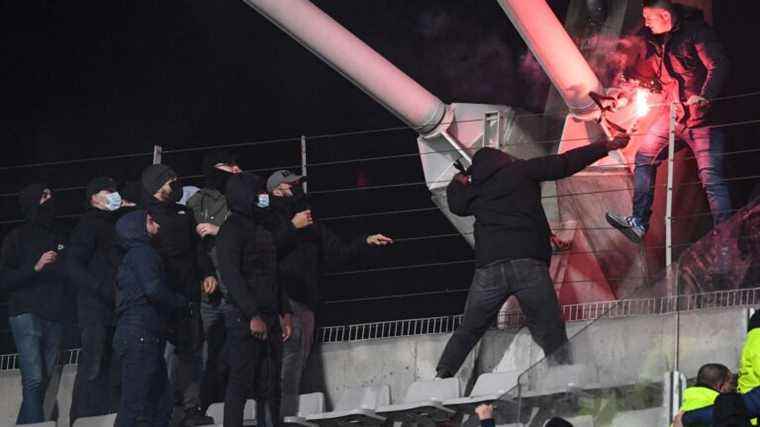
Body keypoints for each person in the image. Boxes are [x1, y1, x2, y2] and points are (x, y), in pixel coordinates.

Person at [435, 136, 630, 379]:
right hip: (528, 264)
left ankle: (443, 374)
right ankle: (562, 375)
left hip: (489, 269)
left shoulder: (476, 190)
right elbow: (565, 162)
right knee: (549, 327)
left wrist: (458, 182)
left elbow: (456, 205)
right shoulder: (522, 171)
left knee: (469, 329)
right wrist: (603, 147)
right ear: (502, 159)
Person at [266, 169, 394, 417]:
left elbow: (338, 252)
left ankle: (287, 418)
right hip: (282, 302)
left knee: (296, 368)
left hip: (307, 304)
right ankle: (276, 420)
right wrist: (292, 227)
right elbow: (264, 251)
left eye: (298, 184)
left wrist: (365, 241)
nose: (297, 189)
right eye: (291, 185)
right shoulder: (268, 217)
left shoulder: (311, 222)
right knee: (284, 368)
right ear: (276, 190)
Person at [606, 0, 731, 243]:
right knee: (644, 157)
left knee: (711, 179)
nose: (645, 23)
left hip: (701, 121)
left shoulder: (696, 33)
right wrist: (625, 90)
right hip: (672, 116)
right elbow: (647, 74)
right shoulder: (654, 41)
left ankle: (726, 240)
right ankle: (639, 222)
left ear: (664, 15)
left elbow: (719, 64)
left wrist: (705, 95)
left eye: (648, 17)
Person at [141, 164, 217, 426]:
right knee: (165, 357)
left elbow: (197, 249)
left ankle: (190, 408)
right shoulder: (146, 216)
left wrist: (207, 273)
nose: (176, 183)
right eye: (170, 180)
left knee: (193, 354)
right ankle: (164, 410)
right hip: (162, 298)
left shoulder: (184, 213)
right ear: (156, 185)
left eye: (176, 178)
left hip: (189, 295)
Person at [217, 173, 293, 427]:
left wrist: (285, 312)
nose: (263, 197)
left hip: (271, 316)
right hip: (245, 319)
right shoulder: (231, 230)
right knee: (240, 383)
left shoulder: (262, 226)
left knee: (270, 386)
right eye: (257, 192)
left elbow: (273, 272)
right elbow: (231, 276)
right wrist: (252, 315)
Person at [113, 209, 190, 427]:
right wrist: (178, 301)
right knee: (135, 403)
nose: (156, 225)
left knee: (160, 402)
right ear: (137, 229)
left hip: (142, 334)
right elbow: (153, 288)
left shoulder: (134, 256)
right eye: (150, 222)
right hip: (140, 334)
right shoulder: (142, 253)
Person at [0, 184, 69, 424]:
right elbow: (4, 278)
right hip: (25, 313)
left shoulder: (60, 234)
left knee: (45, 378)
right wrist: (35, 268)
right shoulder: (17, 237)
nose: (50, 199)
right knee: (34, 379)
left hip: (54, 314)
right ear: (32, 201)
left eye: (51, 194)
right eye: (44, 195)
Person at [67, 177, 131, 423]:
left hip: (115, 308)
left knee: (114, 366)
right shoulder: (89, 224)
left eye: (116, 190)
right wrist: (100, 288)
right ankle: (83, 418)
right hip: (95, 308)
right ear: (94, 197)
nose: (115, 194)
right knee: (93, 365)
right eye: (109, 191)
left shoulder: (115, 224)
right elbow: (73, 264)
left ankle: (108, 416)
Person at [186, 151, 242, 411]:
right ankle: (199, 406)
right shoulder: (198, 201)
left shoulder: (243, 195)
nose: (233, 169)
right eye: (227, 165)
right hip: (209, 288)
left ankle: (230, 405)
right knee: (207, 348)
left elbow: (251, 233)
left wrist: (221, 231)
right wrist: (206, 273)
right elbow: (193, 245)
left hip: (238, 283)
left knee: (237, 348)